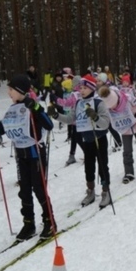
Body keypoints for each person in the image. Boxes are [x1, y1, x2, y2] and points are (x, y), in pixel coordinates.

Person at [0, 74, 56, 241]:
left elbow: (49, 125)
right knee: (24, 191)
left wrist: (36, 109)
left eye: (10, 90)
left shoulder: (31, 105)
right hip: (21, 155)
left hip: (35, 153)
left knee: (39, 188)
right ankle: (28, 223)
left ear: (20, 91)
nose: (8, 93)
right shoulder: (12, 109)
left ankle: (49, 220)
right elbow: (2, 130)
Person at [47, 74, 112, 209]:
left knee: (102, 165)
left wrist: (95, 116)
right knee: (88, 166)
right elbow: (70, 119)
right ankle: (90, 191)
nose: (81, 91)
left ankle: (106, 192)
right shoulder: (78, 103)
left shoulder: (98, 102)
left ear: (91, 88)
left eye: (84, 88)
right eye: (80, 88)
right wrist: (56, 115)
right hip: (86, 139)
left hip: (99, 138)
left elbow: (106, 123)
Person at [98, 85, 136, 184]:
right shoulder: (107, 106)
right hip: (124, 129)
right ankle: (129, 172)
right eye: (110, 107)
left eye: (114, 105)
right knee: (127, 151)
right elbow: (105, 119)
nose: (113, 108)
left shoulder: (127, 97)